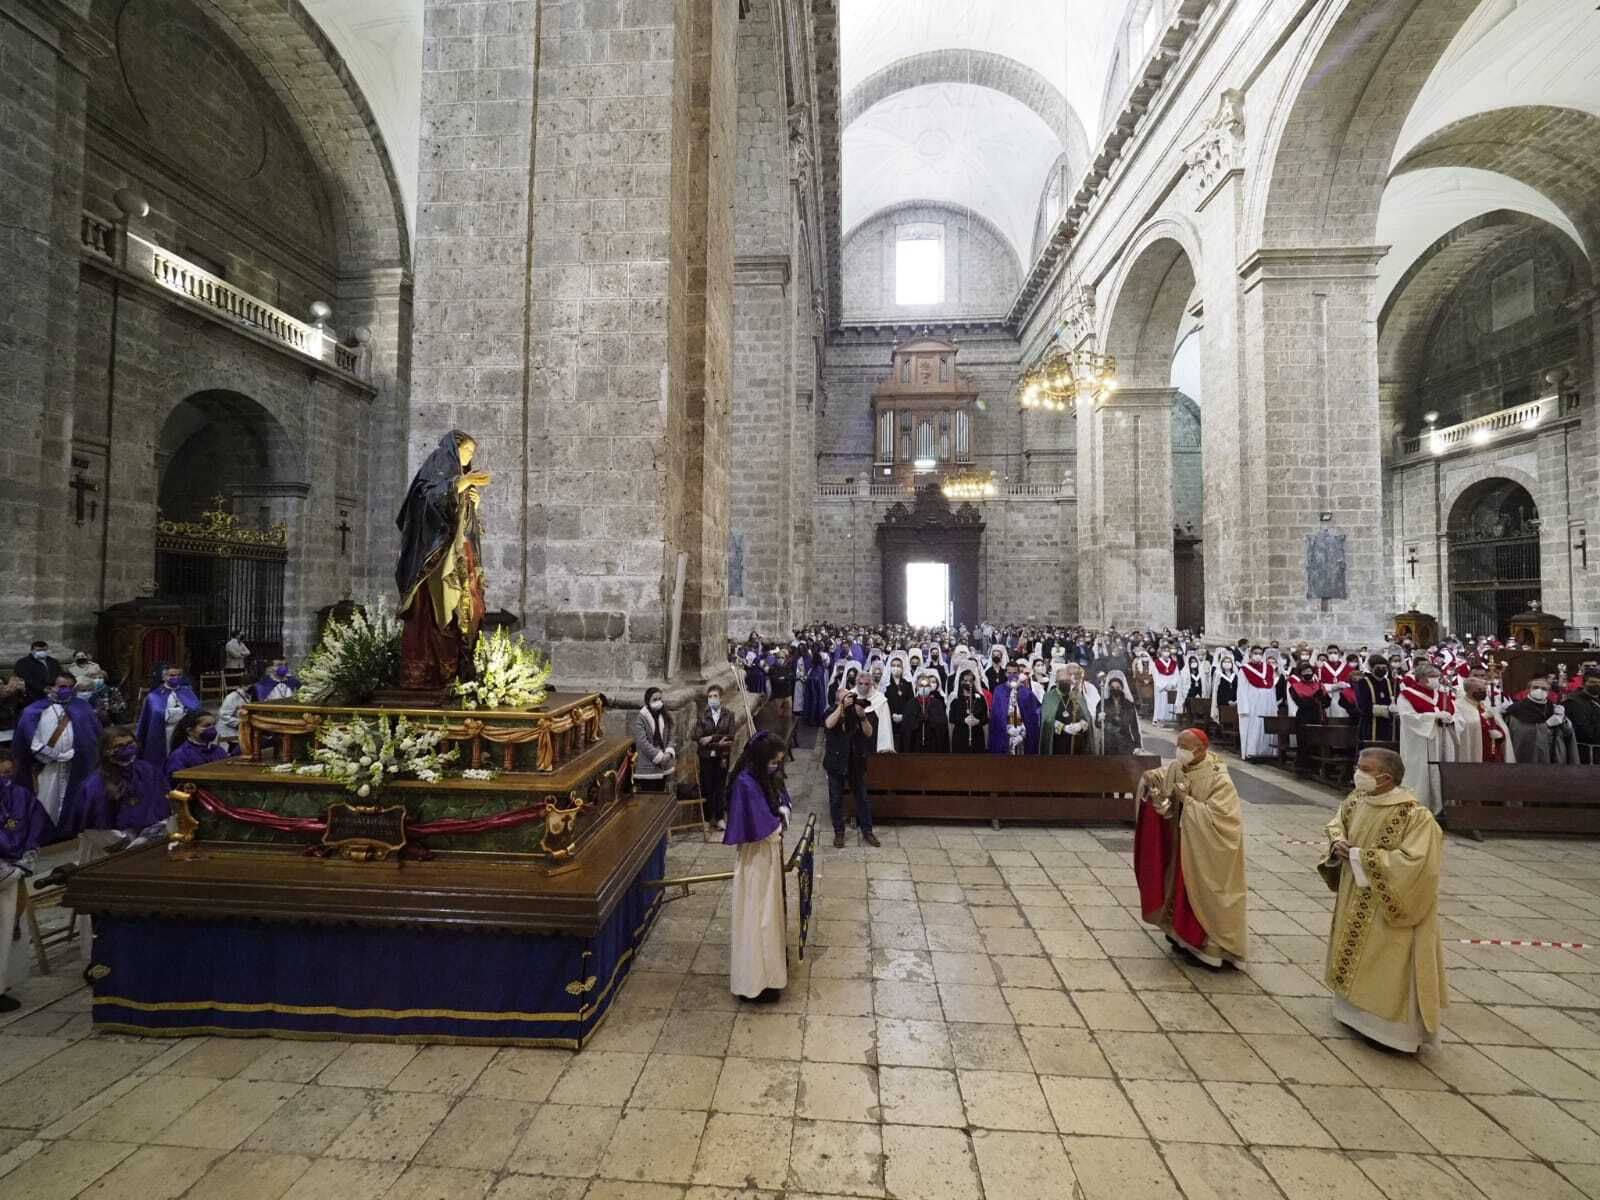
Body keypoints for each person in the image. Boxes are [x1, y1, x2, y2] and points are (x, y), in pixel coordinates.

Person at [1322, 747, 1446, 1053]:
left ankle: (1390, 1033)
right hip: (1356, 893)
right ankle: (1351, 1013)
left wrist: (1360, 857)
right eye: (1358, 766)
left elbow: (1416, 863)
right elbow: (1338, 821)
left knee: (1387, 964)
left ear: (1386, 777)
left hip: (1388, 904)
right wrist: (1338, 842)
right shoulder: (1358, 799)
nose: (1358, 774)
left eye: (1366, 769)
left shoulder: (1414, 816)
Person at [1134, 729, 1248, 969]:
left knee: (1204, 894)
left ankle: (1211, 948)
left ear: (1201, 750)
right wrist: (1151, 777)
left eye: (1184, 747)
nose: (1179, 750)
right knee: (1179, 888)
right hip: (1184, 847)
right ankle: (1182, 936)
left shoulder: (1219, 779)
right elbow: (1166, 776)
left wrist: (1187, 801)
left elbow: (1224, 820)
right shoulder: (1180, 766)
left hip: (1207, 853)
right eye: (1178, 745)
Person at [395, 429, 490, 690]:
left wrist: (473, 505)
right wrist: (459, 484)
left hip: (460, 558)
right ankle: (432, 675)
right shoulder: (437, 467)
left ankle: (459, 672)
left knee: (468, 611)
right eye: (466, 450)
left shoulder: (460, 477)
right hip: (435, 561)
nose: (469, 457)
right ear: (453, 448)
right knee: (437, 612)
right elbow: (425, 501)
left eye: (472, 453)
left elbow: (465, 527)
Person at [724, 733, 791, 1002]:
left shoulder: (762, 776)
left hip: (768, 857)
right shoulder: (745, 782)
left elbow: (777, 797)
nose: (776, 767)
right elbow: (760, 824)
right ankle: (753, 984)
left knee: (769, 917)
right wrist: (778, 822)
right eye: (773, 762)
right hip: (757, 859)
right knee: (756, 918)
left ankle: (770, 978)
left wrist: (783, 808)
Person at [13, 674, 102, 835]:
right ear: (50, 688)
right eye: (62, 686)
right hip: (48, 768)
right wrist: (54, 755)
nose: (67, 690)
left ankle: (71, 833)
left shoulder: (83, 708)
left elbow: (93, 737)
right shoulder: (33, 711)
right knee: (47, 803)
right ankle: (47, 836)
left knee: (75, 801)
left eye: (70, 687)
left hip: (77, 767)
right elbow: (30, 739)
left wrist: (82, 753)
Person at [0, 749, 51, 1013]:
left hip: (15, 871)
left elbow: (35, 824)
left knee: (7, 930)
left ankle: (3, 983)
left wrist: (26, 861)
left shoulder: (20, 795)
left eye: (8, 772)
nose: (4, 778)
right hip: (4, 870)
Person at [822, 682, 878, 848]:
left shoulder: (856, 712)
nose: (849, 699)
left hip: (855, 762)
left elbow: (869, 732)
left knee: (862, 799)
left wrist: (862, 717)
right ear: (837, 700)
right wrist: (841, 707)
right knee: (836, 799)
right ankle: (839, 832)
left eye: (850, 696)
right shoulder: (831, 711)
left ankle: (867, 831)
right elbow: (828, 724)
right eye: (844, 696)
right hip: (836, 763)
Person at [1395, 663, 1455, 815]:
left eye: (1438, 676)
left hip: (1442, 738)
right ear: (1421, 678)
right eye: (1432, 677)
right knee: (1422, 772)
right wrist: (1433, 717)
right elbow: (1408, 717)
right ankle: (1420, 806)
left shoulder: (1442, 695)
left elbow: (1454, 713)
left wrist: (1450, 719)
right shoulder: (1407, 695)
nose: (1436, 680)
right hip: (1421, 740)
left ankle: (1444, 807)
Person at [1502, 676, 1580, 765]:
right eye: (1535, 687)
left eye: (1544, 688)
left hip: (1553, 756)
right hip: (1528, 756)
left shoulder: (1554, 708)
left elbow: (1568, 734)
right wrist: (1546, 725)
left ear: (1548, 692)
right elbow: (1521, 734)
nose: (1539, 690)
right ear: (1529, 689)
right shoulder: (1516, 710)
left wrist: (1564, 721)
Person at [134, 666, 200, 767]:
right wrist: (177, 712)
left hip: (185, 730)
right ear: (164, 677)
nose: (176, 678)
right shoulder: (154, 696)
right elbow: (156, 714)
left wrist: (181, 712)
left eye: (179, 675)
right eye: (172, 675)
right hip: (165, 732)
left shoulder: (187, 692)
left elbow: (196, 709)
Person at [693, 685, 736, 829]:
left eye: (715, 696)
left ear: (721, 698)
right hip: (706, 757)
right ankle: (707, 817)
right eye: (710, 696)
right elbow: (698, 737)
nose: (712, 699)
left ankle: (719, 817)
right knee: (707, 786)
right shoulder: (702, 716)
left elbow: (730, 736)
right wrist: (717, 742)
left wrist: (711, 738)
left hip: (722, 756)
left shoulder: (729, 715)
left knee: (720, 786)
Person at [988, 660, 1041, 755]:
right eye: (1009, 673)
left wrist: (1023, 733)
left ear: (1019, 673)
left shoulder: (1026, 693)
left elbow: (1033, 715)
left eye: (1015, 673)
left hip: (1022, 737)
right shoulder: (999, 691)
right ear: (1005, 673)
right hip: (1004, 735)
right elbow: (996, 716)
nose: (1012, 675)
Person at [1454, 677, 1512, 764]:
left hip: (1492, 749)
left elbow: (1498, 723)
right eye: (1479, 690)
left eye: (1484, 689)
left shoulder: (1485, 704)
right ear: (1468, 690)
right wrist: (1482, 718)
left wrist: (1501, 733)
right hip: (1474, 747)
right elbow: (1464, 726)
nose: (1483, 692)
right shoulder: (1459, 705)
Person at [1040, 664, 1093, 755]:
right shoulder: (1049, 697)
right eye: (1062, 681)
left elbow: (1086, 717)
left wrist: (1080, 725)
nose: (1065, 683)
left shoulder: (1077, 696)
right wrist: (1064, 728)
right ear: (1056, 682)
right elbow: (1047, 720)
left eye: (1067, 681)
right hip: (1057, 744)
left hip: (1076, 743)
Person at [1287, 662, 1330, 774]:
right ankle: (1304, 767)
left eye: (1310, 671)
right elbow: (1301, 703)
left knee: (1319, 742)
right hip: (1304, 717)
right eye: (1305, 672)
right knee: (1305, 742)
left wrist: (1323, 698)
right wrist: (1315, 697)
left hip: (1318, 716)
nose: (1308, 673)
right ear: (1300, 673)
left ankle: (1319, 765)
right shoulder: (1294, 687)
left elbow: (1327, 702)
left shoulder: (1319, 685)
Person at [164, 711, 234, 780]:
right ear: (190, 731)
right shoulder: (180, 755)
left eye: (213, 725)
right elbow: (175, 780)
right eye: (206, 726)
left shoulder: (219, 750)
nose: (212, 729)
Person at [1237, 648, 1278, 761]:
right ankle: (1252, 751)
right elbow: (1242, 689)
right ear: (1250, 655)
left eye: (1260, 653)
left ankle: (1268, 751)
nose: (1258, 655)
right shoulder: (1245, 670)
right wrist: (1244, 708)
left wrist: (1274, 705)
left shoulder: (1269, 668)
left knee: (1267, 725)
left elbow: (1272, 687)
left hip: (1268, 702)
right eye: (1255, 653)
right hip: (1253, 703)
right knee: (1254, 726)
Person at [632, 686, 676, 790]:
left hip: (664, 764)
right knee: (650, 794)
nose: (658, 702)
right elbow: (642, 742)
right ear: (648, 701)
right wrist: (659, 756)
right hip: (648, 765)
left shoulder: (665, 715)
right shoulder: (641, 719)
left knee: (661, 794)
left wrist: (668, 752)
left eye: (660, 699)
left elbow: (671, 735)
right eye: (654, 699)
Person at [1352, 655, 1398, 746]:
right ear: (1371, 668)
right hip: (1370, 724)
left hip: (1387, 725)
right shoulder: (1363, 682)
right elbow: (1363, 706)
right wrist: (1386, 710)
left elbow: (1395, 700)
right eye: (1378, 667)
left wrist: (1395, 707)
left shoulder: (1390, 682)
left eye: (1384, 668)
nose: (1381, 670)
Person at [1097, 670, 1142, 755]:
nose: (1115, 690)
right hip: (1108, 744)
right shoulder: (1102, 703)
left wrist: (1137, 745)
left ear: (1122, 688)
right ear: (1109, 688)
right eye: (1112, 687)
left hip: (1125, 744)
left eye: (1118, 687)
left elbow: (1134, 726)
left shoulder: (1128, 704)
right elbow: (1098, 724)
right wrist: (1099, 719)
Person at [905, 671, 949, 753]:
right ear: (917, 687)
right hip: (915, 744)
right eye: (921, 685)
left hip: (933, 744)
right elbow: (906, 726)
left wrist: (930, 719)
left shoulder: (937, 704)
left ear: (930, 687)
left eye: (926, 685)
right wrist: (917, 720)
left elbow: (942, 724)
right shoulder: (910, 704)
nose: (924, 688)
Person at [948, 670, 988, 754]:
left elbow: (985, 718)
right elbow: (951, 718)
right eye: (965, 680)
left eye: (970, 680)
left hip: (977, 736)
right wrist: (964, 720)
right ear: (960, 682)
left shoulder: (980, 698)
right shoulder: (955, 699)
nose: (968, 683)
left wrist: (978, 721)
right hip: (960, 737)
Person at [1566, 667, 1600, 764]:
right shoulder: (1573, 702)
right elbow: (1584, 732)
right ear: (1584, 683)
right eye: (1593, 682)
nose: (1597, 685)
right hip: (1586, 754)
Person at [884, 657, 914, 751]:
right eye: (893, 665)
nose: (896, 668)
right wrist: (891, 715)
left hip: (905, 721)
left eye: (898, 666)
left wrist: (903, 716)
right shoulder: (886, 685)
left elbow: (911, 703)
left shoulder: (908, 684)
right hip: (889, 720)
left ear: (902, 668)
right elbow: (884, 702)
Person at [217, 678, 254, 745]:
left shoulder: (248, 696)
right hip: (230, 730)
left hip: (241, 728)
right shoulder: (232, 697)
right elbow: (224, 716)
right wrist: (241, 722)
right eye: (251, 686)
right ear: (243, 685)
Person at [1151, 646, 1182, 725]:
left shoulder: (1173, 663)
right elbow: (1155, 676)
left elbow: (1176, 675)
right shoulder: (1157, 663)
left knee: (1171, 702)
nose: (1166, 653)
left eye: (1168, 651)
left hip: (1171, 686)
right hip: (1161, 687)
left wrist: (1172, 684)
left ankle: (1170, 719)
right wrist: (1164, 686)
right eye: (1164, 651)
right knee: (1161, 703)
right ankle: (1159, 719)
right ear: (1161, 652)